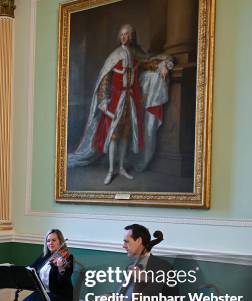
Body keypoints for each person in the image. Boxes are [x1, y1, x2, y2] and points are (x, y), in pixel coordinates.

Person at [68, 24, 173, 184]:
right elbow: (105, 79)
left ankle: (122, 167)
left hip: (130, 101)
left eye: (127, 34)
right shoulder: (115, 55)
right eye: (122, 34)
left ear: (131, 37)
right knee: (114, 137)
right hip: (116, 101)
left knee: (125, 136)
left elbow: (149, 63)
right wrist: (103, 101)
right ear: (120, 37)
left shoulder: (135, 54)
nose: (124, 37)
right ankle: (111, 170)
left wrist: (163, 65)